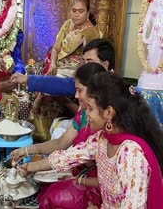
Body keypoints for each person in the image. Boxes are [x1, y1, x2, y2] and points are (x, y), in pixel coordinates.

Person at [17, 72, 163, 208]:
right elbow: (66, 157)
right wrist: (28, 167)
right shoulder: (102, 139)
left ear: (109, 112)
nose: (87, 115)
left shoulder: (130, 153)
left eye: (90, 109)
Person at [10, 63, 106, 208]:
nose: (75, 96)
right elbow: (61, 144)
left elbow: (70, 158)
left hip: (97, 185)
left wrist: (31, 166)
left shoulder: (105, 123)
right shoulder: (84, 114)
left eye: (79, 90)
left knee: (54, 196)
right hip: (79, 172)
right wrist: (27, 151)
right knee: (45, 188)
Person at [11, 38, 115, 96]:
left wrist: (27, 79)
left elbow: (64, 85)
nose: (84, 65)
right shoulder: (90, 79)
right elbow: (60, 83)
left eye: (89, 61)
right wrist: (27, 79)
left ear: (105, 65)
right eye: (83, 61)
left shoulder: (112, 89)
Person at [47, 0, 99, 77]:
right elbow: (55, 48)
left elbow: (88, 60)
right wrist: (52, 64)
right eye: (74, 10)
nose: (76, 14)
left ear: (88, 13)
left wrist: (78, 76)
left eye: (81, 11)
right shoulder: (67, 24)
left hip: (75, 74)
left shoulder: (90, 32)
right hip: (57, 68)